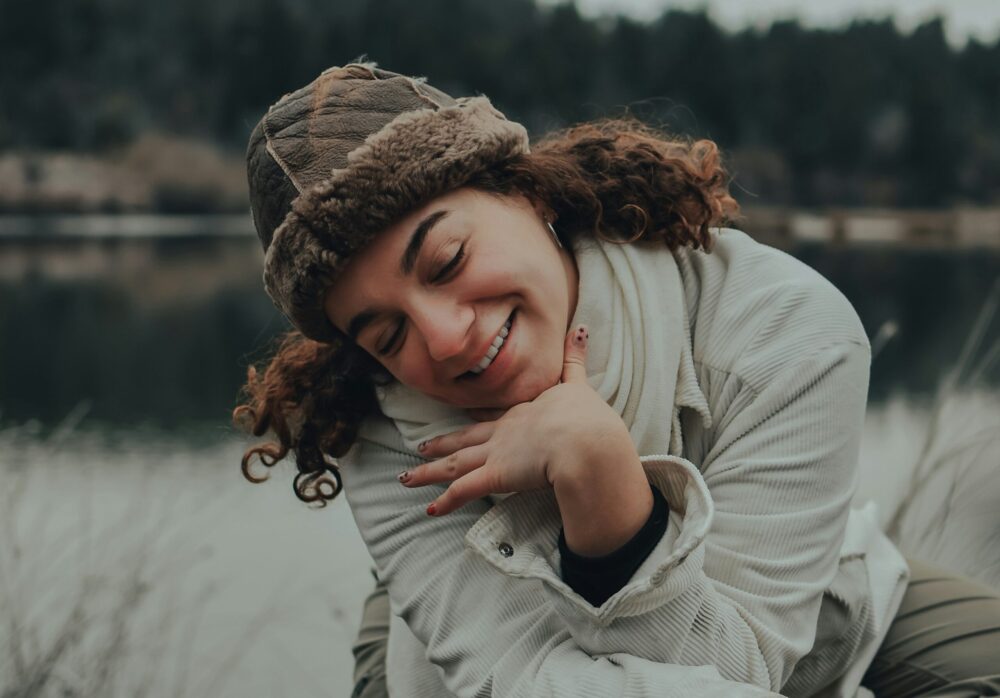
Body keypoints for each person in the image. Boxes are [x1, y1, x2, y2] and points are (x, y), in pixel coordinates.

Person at [236, 62, 1000, 697]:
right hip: (464, 613)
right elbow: (521, 678)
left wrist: (602, 486)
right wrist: (604, 494)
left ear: (526, 193)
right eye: (388, 333)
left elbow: (748, 670)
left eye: (447, 262)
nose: (444, 339)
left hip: (780, 581)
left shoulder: (786, 329)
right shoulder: (368, 417)